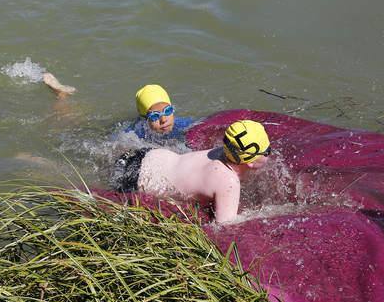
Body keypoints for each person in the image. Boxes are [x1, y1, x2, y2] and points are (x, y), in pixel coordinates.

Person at [111, 120, 271, 223]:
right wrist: (259, 216)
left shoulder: (220, 152)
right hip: (136, 182)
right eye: (267, 151)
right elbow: (225, 226)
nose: (270, 154)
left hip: (144, 155)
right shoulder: (229, 182)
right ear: (250, 162)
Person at [127, 84, 195, 143]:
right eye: (155, 115)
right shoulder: (135, 135)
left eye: (168, 111)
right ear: (145, 119)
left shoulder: (184, 125)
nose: (163, 119)